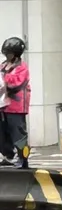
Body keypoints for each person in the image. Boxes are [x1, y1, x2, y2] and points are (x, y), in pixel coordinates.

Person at [0, 37, 30, 169]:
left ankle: (23, 159)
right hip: (3, 105)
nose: (7, 56)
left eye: (9, 53)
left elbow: (15, 82)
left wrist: (3, 78)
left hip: (16, 106)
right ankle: (7, 155)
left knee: (18, 133)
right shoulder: (4, 65)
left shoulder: (22, 67)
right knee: (3, 132)